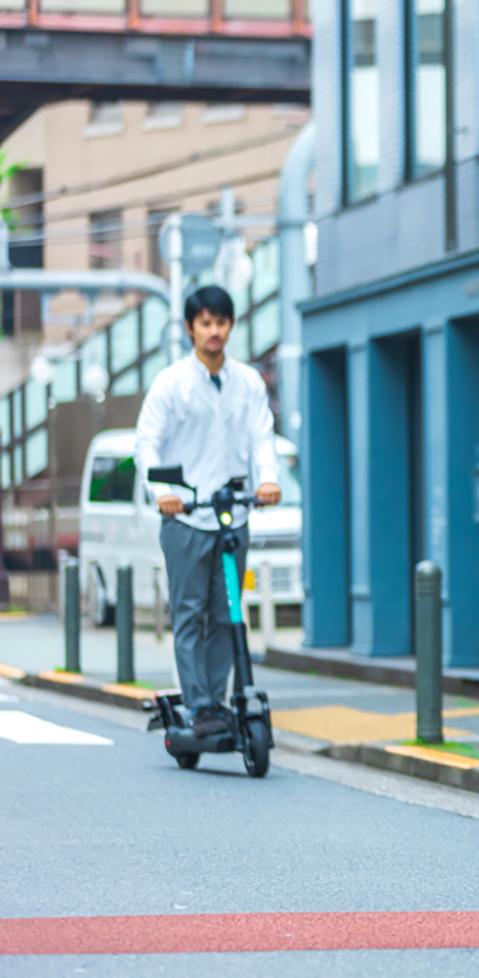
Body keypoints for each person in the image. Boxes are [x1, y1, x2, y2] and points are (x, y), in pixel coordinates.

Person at [135, 285, 281, 738]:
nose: (214, 331)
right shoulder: (171, 383)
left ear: (230, 326)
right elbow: (147, 443)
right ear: (190, 328)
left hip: (232, 513)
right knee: (190, 613)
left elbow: (262, 437)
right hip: (186, 515)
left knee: (227, 614)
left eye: (221, 322)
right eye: (205, 323)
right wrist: (161, 491)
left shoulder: (248, 381)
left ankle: (217, 703)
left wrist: (268, 479)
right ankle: (198, 706)